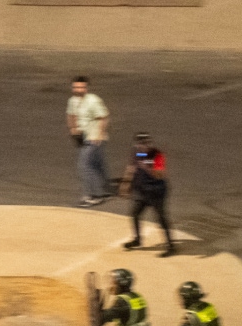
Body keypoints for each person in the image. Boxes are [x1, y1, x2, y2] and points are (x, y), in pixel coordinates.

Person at [120, 133, 173, 255]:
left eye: (147, 143)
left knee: (161, 218)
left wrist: (148, 168)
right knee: (134, 214)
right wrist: (125, 185)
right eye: (142, 143)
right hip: (142, 192)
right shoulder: (139, 153)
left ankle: (171, 246)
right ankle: (137, 240)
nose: (145, 146)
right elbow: (132, 167)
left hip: (156, 192)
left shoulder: (156, 155)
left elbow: (161, 174)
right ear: (138, 144)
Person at [66, 75, 110, 207]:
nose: (78, 89)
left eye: (81, 87)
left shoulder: (93, 101)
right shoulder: (72, 101)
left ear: (86, 87)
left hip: (93, 138)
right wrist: (73, 128)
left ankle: (93, 196)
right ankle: (103, 187)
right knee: (96, 164)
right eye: (76, 87)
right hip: (82, 137)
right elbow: (71, 114)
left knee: (84, 166)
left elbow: (104, 117)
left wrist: (99, 135)